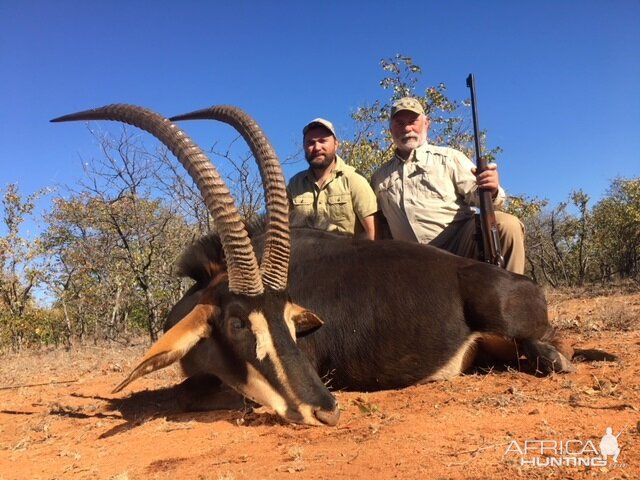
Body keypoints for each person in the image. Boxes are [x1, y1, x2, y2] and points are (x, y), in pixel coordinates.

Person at [371, 97, 525, 273]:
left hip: (458, 248)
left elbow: (486, 200)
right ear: (391, 129)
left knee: (506, 225)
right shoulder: (379, 177)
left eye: (413, 121)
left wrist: (492, 188)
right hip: (412, 260)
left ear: (426, 123)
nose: (407, 128)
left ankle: (515, 296)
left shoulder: (450, 158)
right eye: (399, 123)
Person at [288, 118, 378, 240]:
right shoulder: (294, 184)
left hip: (349, 256)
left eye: (322, 141)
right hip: (304, 256)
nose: (317, 147)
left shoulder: (354, 179)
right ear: (304, 147)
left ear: (336, 144)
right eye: (310, 142)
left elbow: (373, 234)